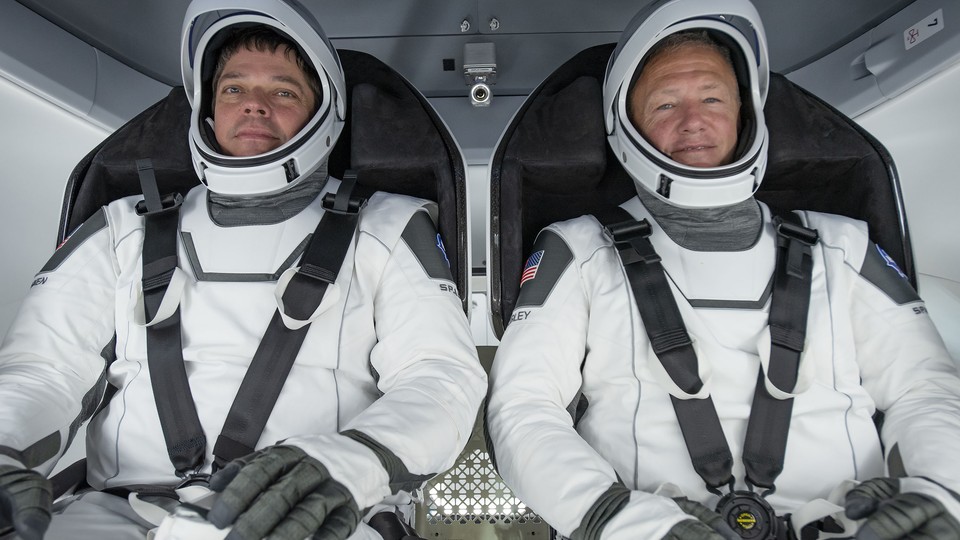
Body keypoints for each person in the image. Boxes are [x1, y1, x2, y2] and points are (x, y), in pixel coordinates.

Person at [0, 0, 486, 538]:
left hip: (313, 509)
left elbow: (440, 379)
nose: (253, 105)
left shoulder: (389, 228)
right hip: (119, 512)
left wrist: (348, 465)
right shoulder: (121, 228)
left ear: (322, 113)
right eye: (233, 88)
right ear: (207, 110)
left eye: (282, 91)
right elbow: (46, 368)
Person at [485, 0, 960, 539]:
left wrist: (939, 490)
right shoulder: (576, 249)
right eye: (665, 104)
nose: (694, 121)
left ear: (745, 112)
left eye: (712, 97)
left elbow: (924, 389)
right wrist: (620, 520)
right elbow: (522, 410)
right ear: (628, 127)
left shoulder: (844, 244)